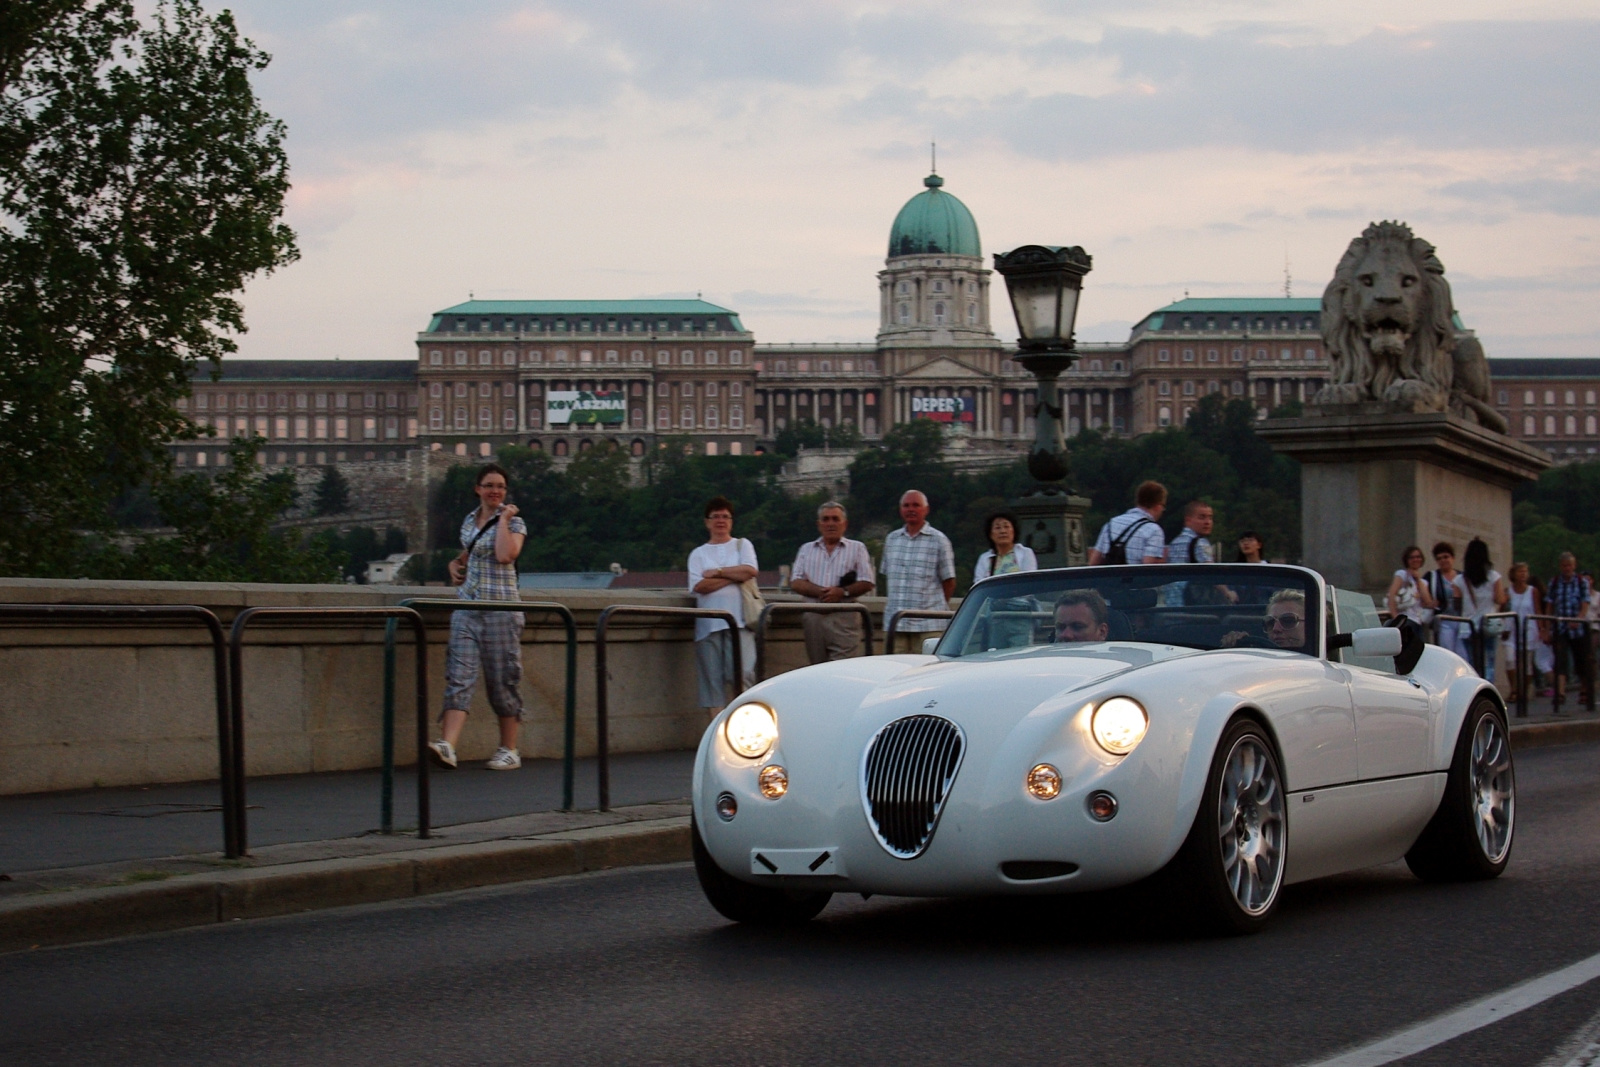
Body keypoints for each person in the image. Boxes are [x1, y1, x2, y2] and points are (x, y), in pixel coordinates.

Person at [429, 463, 528, 771]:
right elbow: (470, 553)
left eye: (500, 486)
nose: (495, 490)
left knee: (502, 683)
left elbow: (504, 555)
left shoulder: (515, 524)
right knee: (459, 677)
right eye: (489, 485)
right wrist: (453, 564)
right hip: (467, 608)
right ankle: (448, 745)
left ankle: (509, 749)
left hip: (501, 609)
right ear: (478, 489)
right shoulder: (469, 521)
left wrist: (504, 519)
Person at [689, 496, 759, 716]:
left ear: (731, 521)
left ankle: (743, 726)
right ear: (707, 522)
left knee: (743, 674)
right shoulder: (698, 553)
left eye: (725, 516)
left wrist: (718, 573)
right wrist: (734, 575)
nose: (721, 520)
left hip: (739, 622)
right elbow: (700, 586)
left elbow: (750, 571)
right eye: (716, 516)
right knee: (712, 683)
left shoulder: (742, 545)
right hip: (708, 625)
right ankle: (715, 733)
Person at [789, 500, 875, 664]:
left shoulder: (857, 548)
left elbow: (867, 581)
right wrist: (822, 593)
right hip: (814, 617)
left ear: (845, 524)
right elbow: (795, 581)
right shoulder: (806, 549)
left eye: (835, 519)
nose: (830, 524)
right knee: (817, 669)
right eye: (826, 519)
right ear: (818, 524)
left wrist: (842, 592)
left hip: (844, 617)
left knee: (843, 669)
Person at [882, 489, 956, 652]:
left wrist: (934, 607)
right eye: (906, 505)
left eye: (916, 505)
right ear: (901, 510)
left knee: (927, 672)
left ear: (926, 510)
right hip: (896, 623)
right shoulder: (891, 539)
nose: (911, 509)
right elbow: (888, 577)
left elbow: (949, 581)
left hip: (928, 624)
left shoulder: (939, 540)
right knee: (894, 672)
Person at [1455, 537, 1507, 683]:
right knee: (1489, 662)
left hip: (1467, 625)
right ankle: (1488, 691)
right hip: (1488, 624)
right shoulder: (1494, 577)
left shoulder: (1460, 580)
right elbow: (1499, 599)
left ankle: (1475, 691)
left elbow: (1456, 605)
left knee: (1472, 663)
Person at [1546, 551, 1593, 708]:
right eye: (1565, 565)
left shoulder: (1581, 582)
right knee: (1560, 661)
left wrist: (1579, 618)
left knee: (1582, 661)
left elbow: (1585, 602)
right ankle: (1560, 693)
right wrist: (1547, 625)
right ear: (1561, 566)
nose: (1567, 568)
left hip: (1578, 629)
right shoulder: (1554, 582)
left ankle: (1585, 691)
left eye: (1570, 565)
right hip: (1560, 627)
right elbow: (1550, 603)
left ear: (1574, 566)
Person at [1505, 561, 1554, 702]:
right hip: (1512, 630)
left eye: (1525, 571)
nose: (1523, 574)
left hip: (1529, 629)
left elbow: (1537, 610)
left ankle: (1523, 691)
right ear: (1514, 574)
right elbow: (1503, 608)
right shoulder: (1508, 591)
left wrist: (1542, 628)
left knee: (1526, 665)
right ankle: (1514, 689)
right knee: (1510, 660)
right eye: (1520, 571)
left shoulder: (1532, 591)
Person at [1088, 481, 1167, 565]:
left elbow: (1093, 563)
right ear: (1158, 506)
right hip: (1133, 577)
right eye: (1163, 506)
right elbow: (1148, 568)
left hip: (1110, 577)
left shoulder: (1110, 524)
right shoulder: (1154, 531)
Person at [1221, 589, 1308, 651]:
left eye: (1288, 621)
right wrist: (1233, 647)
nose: (1275, 629)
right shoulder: (1255, 656)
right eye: (1270, 622)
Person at [1425, 542, 1470, 659]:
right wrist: (1430, 602)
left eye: (1446, 557)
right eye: (1439, 558)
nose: (1443, 560)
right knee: (1447, 652)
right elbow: (1421, 592)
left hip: (1462, 620)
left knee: (1463, 654)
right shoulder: (1432, 576)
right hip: (1444, 620)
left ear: (1452, 558)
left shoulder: (1463, 576)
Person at [973, 509, 1038, 581]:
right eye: (997, 528)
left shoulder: (1026, 553)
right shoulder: (984, 559)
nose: (1003, 531)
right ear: (990, 534)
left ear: (1014, 531)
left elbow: (1029, 579)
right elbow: (979, 584)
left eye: (1006, 526)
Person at [1386, 545, 1437, 625]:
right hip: (1403, 619)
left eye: (1418, 557)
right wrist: (1395, 616)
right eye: (1412, 557)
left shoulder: (1423, 582)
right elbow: (1392, 595)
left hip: (1417, 621)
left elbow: (1427, 601)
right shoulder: (1401, 574)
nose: (1415, 559)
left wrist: (1418, 580)